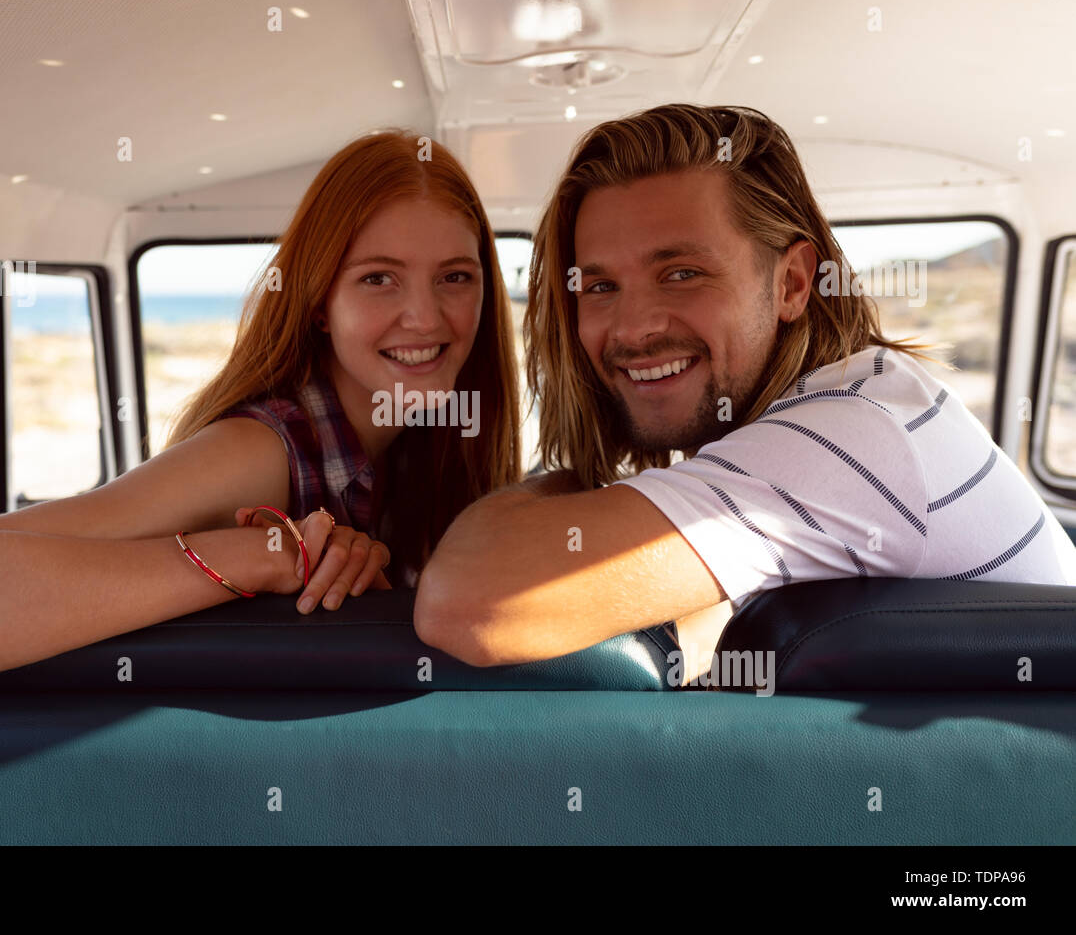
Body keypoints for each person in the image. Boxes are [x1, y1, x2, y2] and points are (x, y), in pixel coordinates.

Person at [412, 103, 1076, 672]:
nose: (634, 329)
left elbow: (469, 604)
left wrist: (569, 480)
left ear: (791, 284)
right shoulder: (850, 407)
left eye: (682, 274)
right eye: (602, 287)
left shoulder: (846, 435)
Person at [0, 130, 522, 675]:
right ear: (320, 305)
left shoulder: (434, 445)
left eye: (454, 278)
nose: (425, 315)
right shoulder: (260, 452)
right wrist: (271, 556)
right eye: (378, 278)